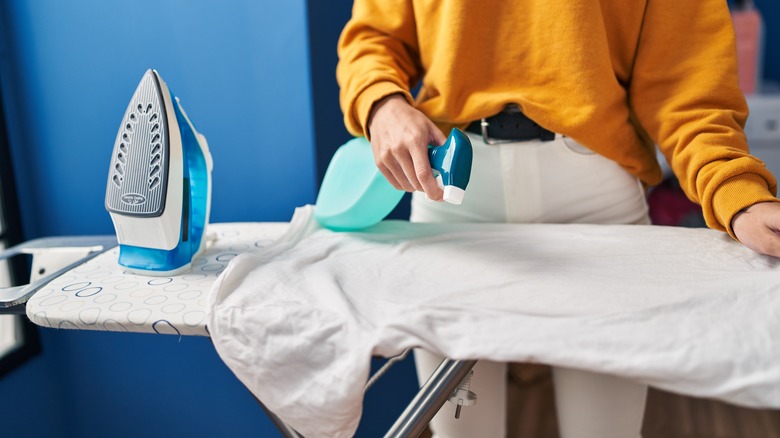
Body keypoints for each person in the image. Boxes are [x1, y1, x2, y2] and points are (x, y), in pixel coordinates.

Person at [336, 0, 780, 436]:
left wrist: (736, 194)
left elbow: (689, 80)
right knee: (461, 431)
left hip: (596, 201)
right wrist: (383, 104)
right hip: (450, 191)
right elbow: (373, 39)